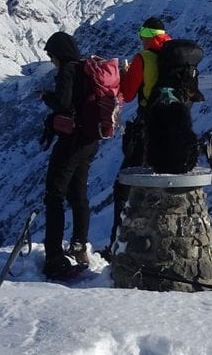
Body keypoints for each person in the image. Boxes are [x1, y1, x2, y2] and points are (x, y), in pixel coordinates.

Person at [105, 17, 171, 252]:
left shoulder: (144, 58)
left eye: (143, 35)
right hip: (173, 131)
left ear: (149, 36)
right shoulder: (177, 57)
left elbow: (129, 94)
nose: (141, 40)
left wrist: (125, 74)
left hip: (148, 128)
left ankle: (118, 246)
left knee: (124, 184)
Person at [40, 31, 99, 279]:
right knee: (78, 194)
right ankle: (79, 245)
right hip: (90, 140)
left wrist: (48, 98)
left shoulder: (67, 70)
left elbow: (64, 104)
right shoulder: (86, 69)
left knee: (54, 194)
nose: (52, 61)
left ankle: (53, 254)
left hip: (72, 141)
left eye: (51, 56)